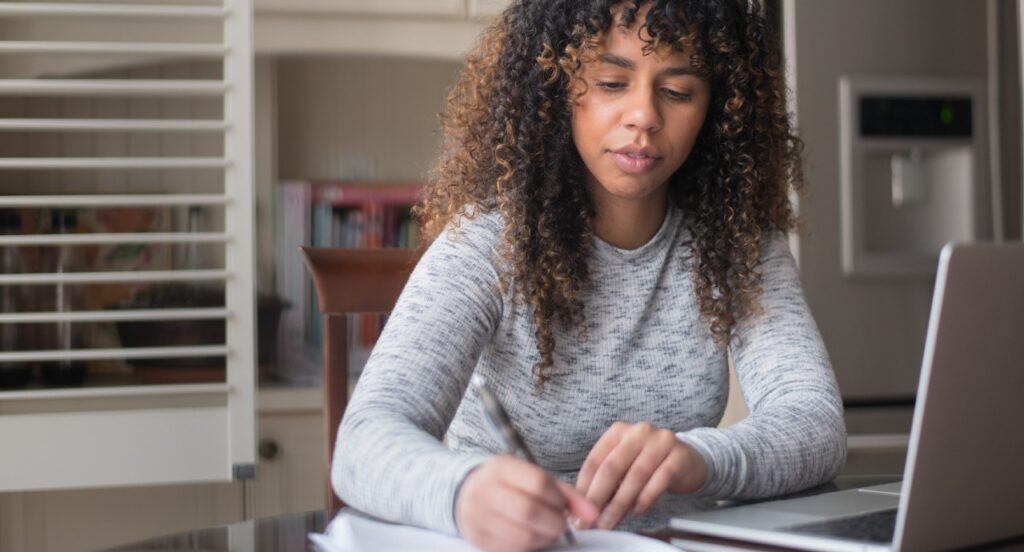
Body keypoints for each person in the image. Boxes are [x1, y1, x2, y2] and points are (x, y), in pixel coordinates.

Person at [332, 1, 847, 550]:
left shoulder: (735, 242)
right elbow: (365, 440)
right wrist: (462, 492)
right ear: (555, 87)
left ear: (716, 110)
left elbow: (814, 422)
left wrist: (699, 457)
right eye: (610, 81)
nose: (644, 115)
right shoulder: (489, 242)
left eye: (677, 92)